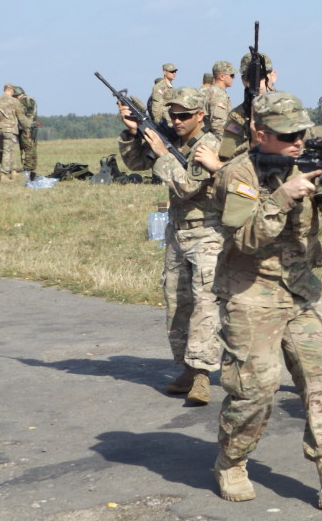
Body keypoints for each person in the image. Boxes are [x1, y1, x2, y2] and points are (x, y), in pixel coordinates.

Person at [207, 91, 322, 508]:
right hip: (250, 294)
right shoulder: (238, 175)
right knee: (256, 389)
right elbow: (245, 240)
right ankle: (231, 461)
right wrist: (284, 195)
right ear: (259, 133)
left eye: (301, 132)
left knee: (321, 382)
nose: (297, 142)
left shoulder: (306, 164)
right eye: (287, 136)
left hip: (301, 290)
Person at [117, 87, 223, 405]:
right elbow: (135, 163)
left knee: (205, 307)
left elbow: (189, 185)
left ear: (200, 115)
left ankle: (203, 376)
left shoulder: (209, 145)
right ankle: (188, 368)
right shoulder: (169, 139)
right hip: (177, 234)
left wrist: (164, 154)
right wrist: (134, 131)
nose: (176, 120)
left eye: (184, 116)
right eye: (172, 115)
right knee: (178, 304)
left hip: (207, 235)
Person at [218, 52, 275, 162]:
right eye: (250, 78)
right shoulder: (237, 116)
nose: (256, 83)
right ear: (243, 80)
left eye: (261, 76)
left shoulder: (291, 109)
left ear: (273, 76)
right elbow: (226, 158)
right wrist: (253, 143)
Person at [0, 83, 33, 182]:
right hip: (10, 130)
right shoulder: (14, 102)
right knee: (8, 151)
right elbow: (21, 117)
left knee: (6, 151)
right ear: (11, 90)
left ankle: (13, 171)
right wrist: (27, 128)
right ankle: (4, 175)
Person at [204, 60, 236, 138]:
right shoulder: (218, 94)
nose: (234, 78)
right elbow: (219, 125)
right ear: (222, 77)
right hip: (216, 140)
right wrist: (223, 146)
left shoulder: (213, 91)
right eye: (231, 75)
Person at [13, 86, 39, 179]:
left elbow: (22, 114)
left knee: (27, 147)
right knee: (32, 146)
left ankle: (28, 167)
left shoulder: (23, 101)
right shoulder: (31, 99)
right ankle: (32, 165)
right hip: (32, 126)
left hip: (26, 127)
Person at [149, 63, 178, 130]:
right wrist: (158, 123)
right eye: (171, 72)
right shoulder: (159, 87)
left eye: (175, 71)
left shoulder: (172, 88)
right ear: (164, 72)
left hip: (172, 119)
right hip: (165, 123)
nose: (174, 73)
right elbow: (157, 108)